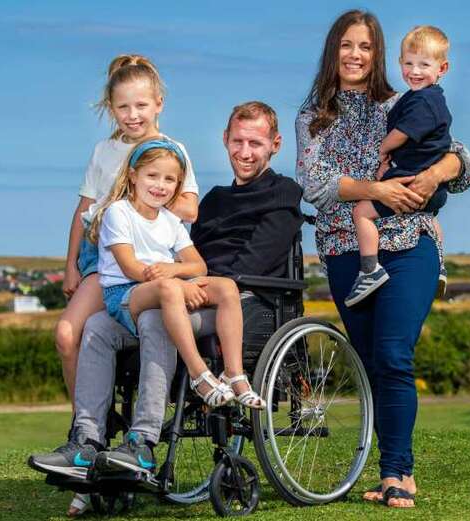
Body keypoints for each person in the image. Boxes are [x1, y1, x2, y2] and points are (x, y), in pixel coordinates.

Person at [29, 102, 303, 517]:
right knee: (98, 327)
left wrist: (191, 284)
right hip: (183, 289)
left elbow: (252, 263)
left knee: (157, 314)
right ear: (225, 141)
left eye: (255, 143)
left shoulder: (283, 193)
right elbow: (185, 252)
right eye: (238, 141)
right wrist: (182, 281)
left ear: (275, 145)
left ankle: (142, 442)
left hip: (238, 300)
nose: (245, 152)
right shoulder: (212, 200)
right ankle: (86, 440)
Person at [295, 10, 470, 509]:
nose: (355, 55)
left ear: (378, 55)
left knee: (395, 356)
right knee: (375, 363)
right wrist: (377, 189)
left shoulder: (406, 102)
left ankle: (400, 474)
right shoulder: (313, 116)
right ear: (333, 51)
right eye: (346, 45)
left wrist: (435, 174)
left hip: (409, 243)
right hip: (344, 249)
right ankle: (387, 469)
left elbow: (463, 162)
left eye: (366, 46)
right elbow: (315, 185)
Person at [55, 54, 199, 410]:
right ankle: (85, 428)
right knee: (66, 334)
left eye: (141, 105)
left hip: (149, 258)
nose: (133, 115)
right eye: (123, 107)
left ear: (158, 105)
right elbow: (82, 211)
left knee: (105, 332)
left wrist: (142, 194)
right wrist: (70, 264)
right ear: (111, 107)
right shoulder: (103, 151)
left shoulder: (171, 150)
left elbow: (190, 209)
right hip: (100, 258)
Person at [88, 138, 266, 410]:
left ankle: (233, 373)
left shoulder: (170, 220)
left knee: (226, 287)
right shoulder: (118, 212)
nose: (160, 185)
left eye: (170, 180)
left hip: (165, 284)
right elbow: (130, 267)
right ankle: (198, 374)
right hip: (125, 292)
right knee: (170, 290)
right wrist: (178, 285)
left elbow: (198, 266)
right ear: (133, 175)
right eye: (152, 176)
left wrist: (175, 270)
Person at [347, 25, 453, 307]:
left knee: (362, 212)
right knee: (431, 219)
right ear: (399, 63)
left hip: (409, 183)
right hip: (426, 188)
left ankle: (370, 269)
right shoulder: (423, 97)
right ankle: (439, 264)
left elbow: (403, 132)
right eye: (409, 63)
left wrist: (384, 149)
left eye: (423, 65)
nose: (414, 71)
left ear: (442, 68)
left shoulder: (423, 100)